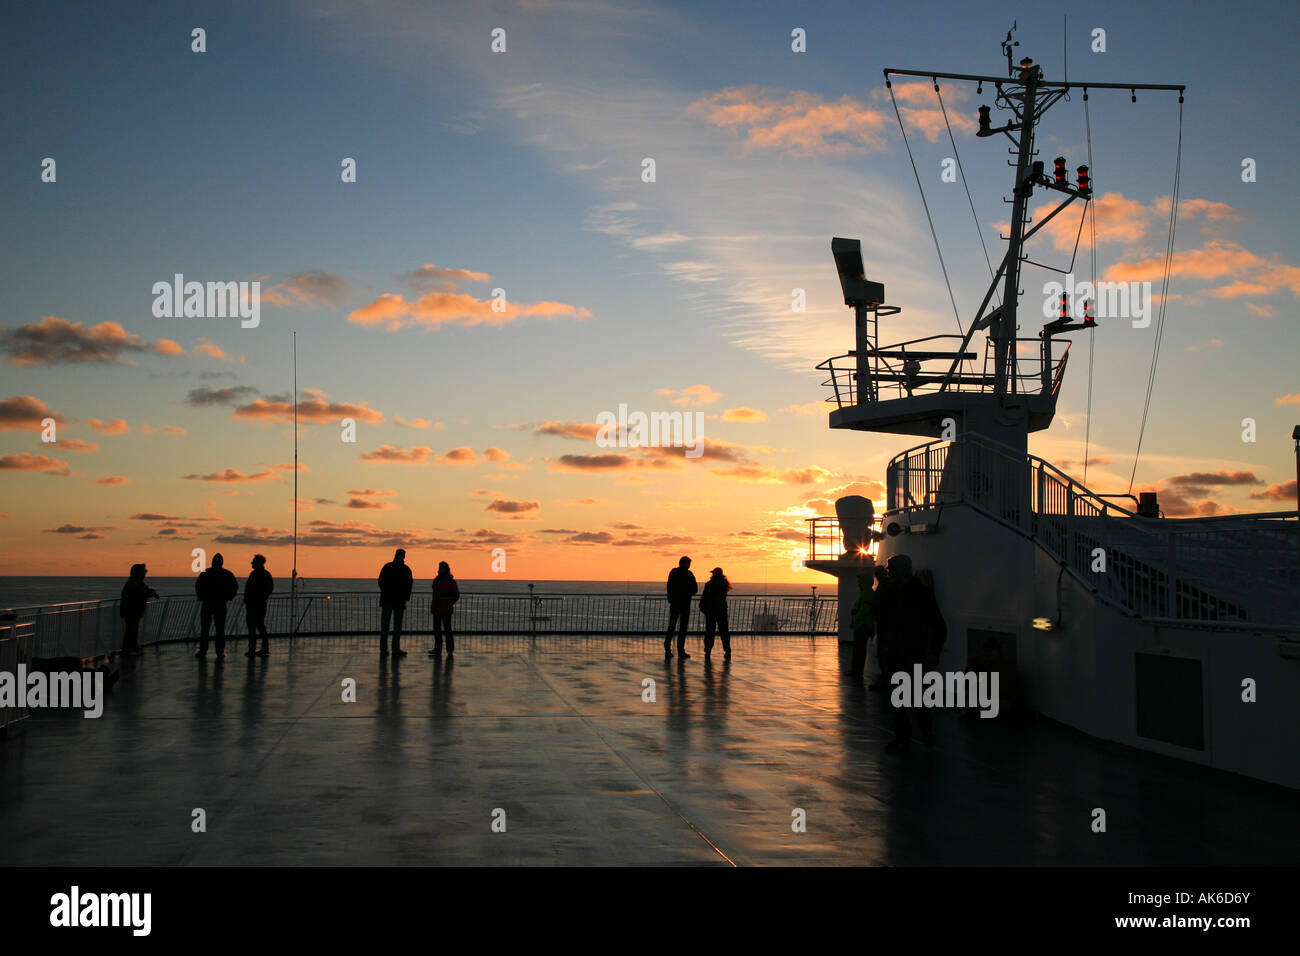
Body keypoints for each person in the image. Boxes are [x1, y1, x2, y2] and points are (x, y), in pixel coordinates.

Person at [875, 554, 946, 753]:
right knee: (903, 699)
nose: (888, 572)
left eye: (891, 569)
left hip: (911, 653)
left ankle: (920, 736)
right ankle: (913, 738)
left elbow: (937, 624)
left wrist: (934, 651)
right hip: (898, 652)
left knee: (914, 698)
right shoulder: (901, 592)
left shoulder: (916, 593)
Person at [195, 553, 238, 661]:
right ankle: (220, 651)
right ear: (222, 562)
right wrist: (228, 598)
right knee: (220, 629)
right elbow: (234, 587)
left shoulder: (205, 573)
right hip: (220, 604)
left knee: (205, 629)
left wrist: (202, 597)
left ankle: (202, 650)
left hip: (207, 604)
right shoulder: (227, 574)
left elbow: (198, 586)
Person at [378, 548, 413, 657]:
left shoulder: (387, 567)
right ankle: (395, 649)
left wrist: (386, 592)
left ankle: (384, 650)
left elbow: (380, 581)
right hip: (398, 601)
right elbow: (409, 585)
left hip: (387, 600)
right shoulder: (406, 569)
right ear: (404, 556)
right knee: (397, 627)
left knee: (385, 626)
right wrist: (405, 597)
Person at [119, 563, 159, 656]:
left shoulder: (137, 582)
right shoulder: (133, 584)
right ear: (138, 573)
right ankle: (128, 650)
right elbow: (142, 593)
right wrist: (152, 593)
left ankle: (132, 648)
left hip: (134, 612)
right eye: (144, 571)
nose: (145, 573)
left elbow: (145, 590)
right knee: (131, 631)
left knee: (133, 630)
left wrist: (151, 592)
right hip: (131, 611)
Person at [846, 569, 877, 680]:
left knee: (859, 649)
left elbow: (864, 610)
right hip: (863, 624)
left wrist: (856, 620)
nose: (858, 582)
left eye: (860, 580)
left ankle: (856, 671)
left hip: (863, 625)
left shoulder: (867, 593)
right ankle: (856, 670)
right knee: (859, 649)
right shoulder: (867, 592)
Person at [664, 556, 697, 659]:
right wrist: (687, 593)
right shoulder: (689, 574)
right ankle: (681, 651)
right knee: (682, 628)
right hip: (685, 604)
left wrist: (671, 598)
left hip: (675, 603)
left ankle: (668, 649)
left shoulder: (673, 572)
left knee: (672, 626)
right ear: (687, 564)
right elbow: (694, 589)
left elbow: (669, 586)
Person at [244, 554, 274, 658]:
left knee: (253, 627)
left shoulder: (255, 574)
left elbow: (250, 589)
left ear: (258, 562)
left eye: (253, 561)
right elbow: (270, 588)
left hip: (254, 604)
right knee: (260, 626)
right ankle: (264, 648)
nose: (251, 563)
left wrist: (250, 599)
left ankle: (252, 649)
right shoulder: (266, 574)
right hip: (260, 604)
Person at [428, 561, 460, 657]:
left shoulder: (450, 581)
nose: (440, 569)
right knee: (437, 629)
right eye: (440, 567)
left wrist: (449, 603)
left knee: (447, 629)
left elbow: (456, 595)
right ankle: (438, 649)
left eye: (442, 567)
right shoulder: (437, 580)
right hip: (438, 608)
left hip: (445, 608)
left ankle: (449, 649)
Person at [699, 567, 732, 660]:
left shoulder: (709, 584)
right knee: (724, 631)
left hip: (711, 610)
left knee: (710, 631)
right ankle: (727, 650)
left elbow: (705, 596)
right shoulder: (724, 585)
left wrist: (702, 606)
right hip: (721, 610)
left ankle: (708, 650)